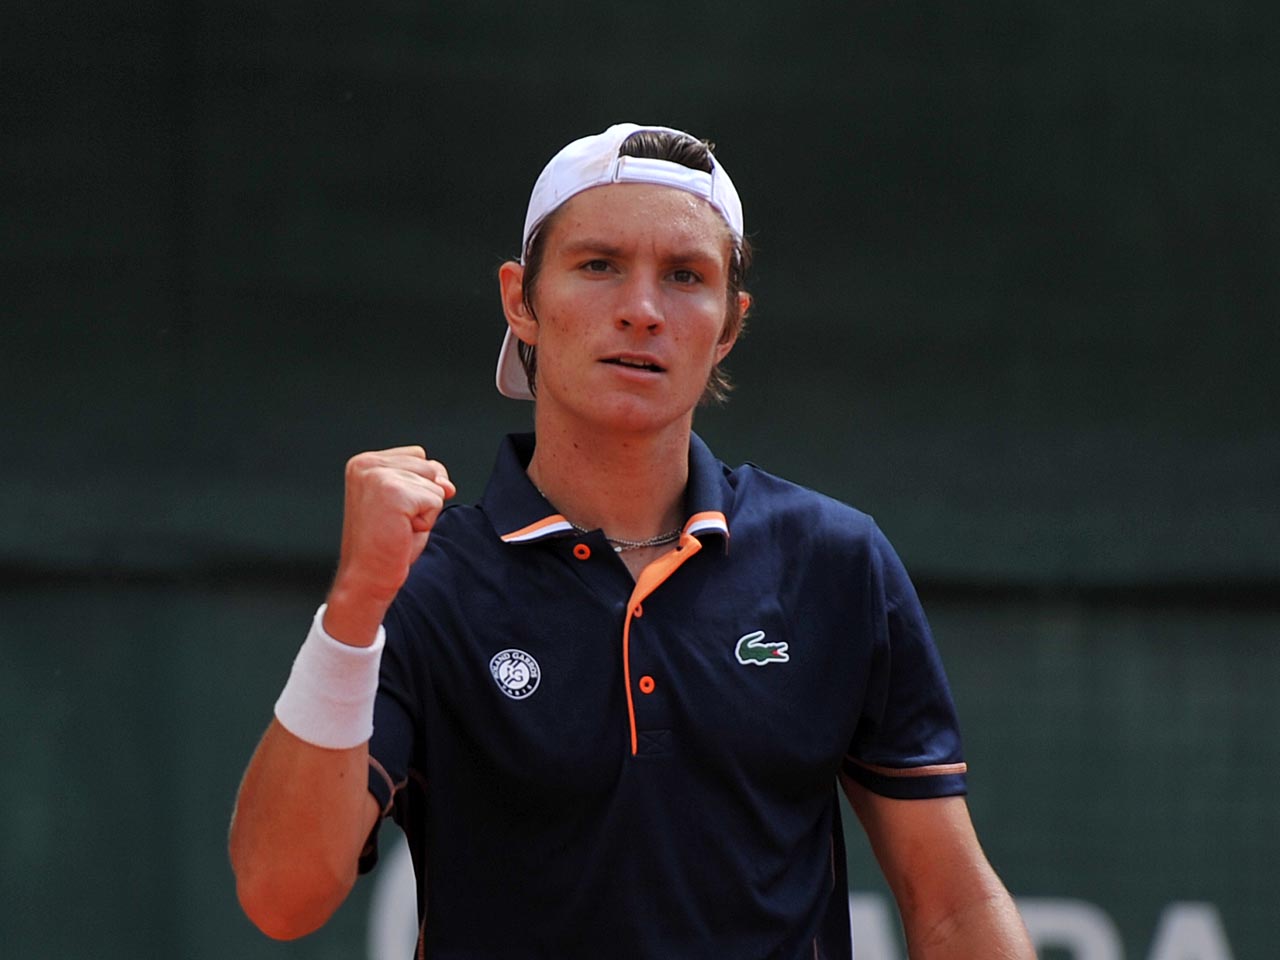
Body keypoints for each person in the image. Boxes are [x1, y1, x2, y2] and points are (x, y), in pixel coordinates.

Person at [229, 122, 1034, 960]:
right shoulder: (424, 583)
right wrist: (356, 605)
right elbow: (281, 895)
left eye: (686, 276)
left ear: (729, 327)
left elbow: (952, 906)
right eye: (599, 265)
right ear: (520, 300)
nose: (642, 311)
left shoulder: (835, 561)